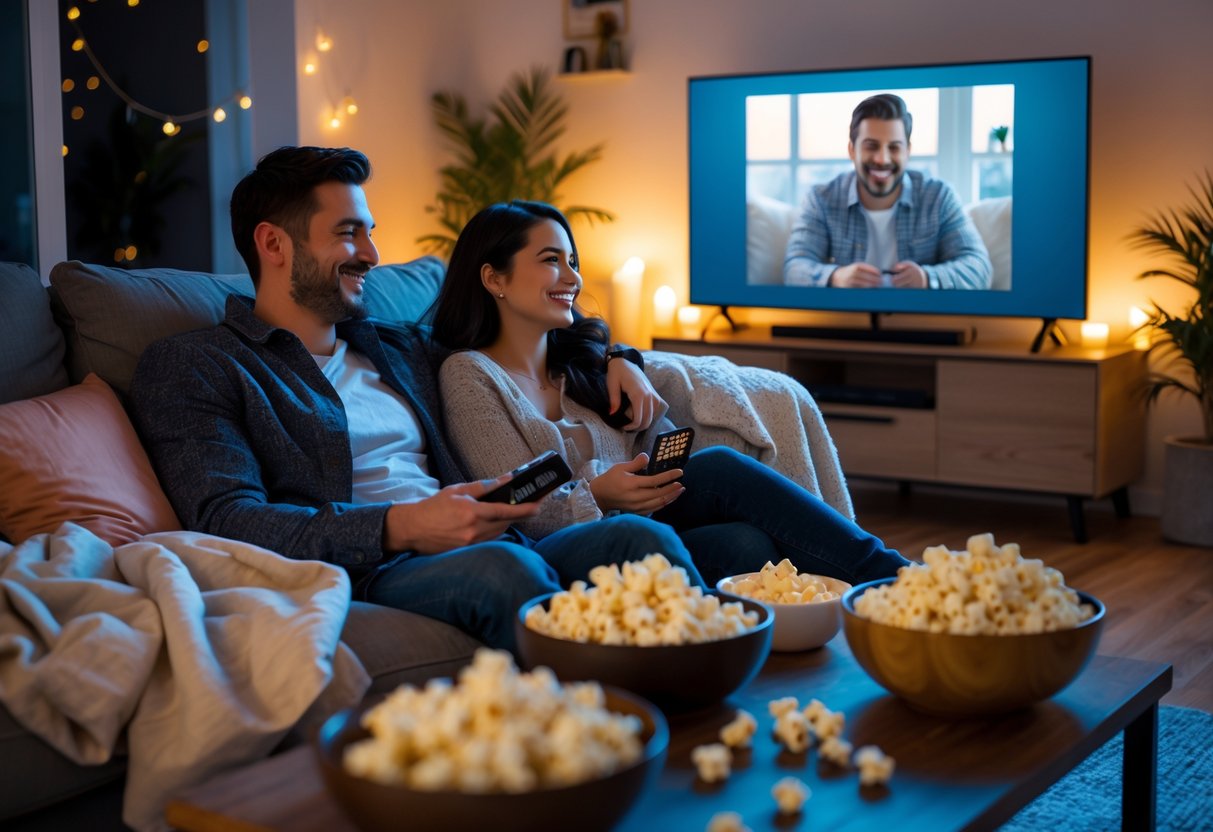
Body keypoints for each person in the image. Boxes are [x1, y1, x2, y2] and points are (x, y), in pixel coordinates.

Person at [129, 146, 702, 653]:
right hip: (373, 566)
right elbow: (227, 519)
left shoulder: (400, 347)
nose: (373, 254)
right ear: (274, 243)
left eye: (370, 232)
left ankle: (716, 706)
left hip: (488, 534)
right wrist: (400, 526)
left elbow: (520, 334)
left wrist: (620, 357)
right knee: (504, 570)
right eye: (349, 233)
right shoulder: (198, 365)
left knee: (640, 537)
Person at [431, 200, 911, 587]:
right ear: (494, 278)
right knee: (723, 477)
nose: (573, 279)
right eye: (551, 261)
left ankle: (852, 604)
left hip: (650, 521)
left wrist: (625, 365)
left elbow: (653, 443)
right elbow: (509, 503)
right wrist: (600, 490)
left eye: (572, 262)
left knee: (747, 545)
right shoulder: (469, 374)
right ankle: (896, 580)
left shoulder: (581, 369)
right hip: (566, 545)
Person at [782, 93, 992, 290]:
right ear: (851, 150)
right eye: (871, 146)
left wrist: (928, 278)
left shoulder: (938, 197)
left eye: (894, 147)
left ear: (907, 151)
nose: (882, 159)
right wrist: (835, 277)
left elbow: (979, 268)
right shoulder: (821, 199)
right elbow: (794, 269)